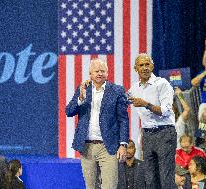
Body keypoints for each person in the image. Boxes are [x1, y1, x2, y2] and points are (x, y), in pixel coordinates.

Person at [65, 58, 129, 189]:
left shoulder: (117, 90)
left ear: (107, 73)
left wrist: (123, 144)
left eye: (102, 71)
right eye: (96, 71)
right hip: (86, 147)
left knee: (109, 186)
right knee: (91, 187)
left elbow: (123, 119)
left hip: (108, 147)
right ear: (90, 74)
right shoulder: (83, 89)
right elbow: (69, 111)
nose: (99, 73)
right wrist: (80, 99)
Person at [128, 53, 177, 188]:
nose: (144, 68)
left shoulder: (162, 84)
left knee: (165, 178)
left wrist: (146, 104)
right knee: (150, 178)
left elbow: (166, 111)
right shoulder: (134, 88)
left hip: (165, 132)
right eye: (141, 65)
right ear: (135, 68)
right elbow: (121, 100)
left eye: (147, 64)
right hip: (147, 135)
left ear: (152, 66)